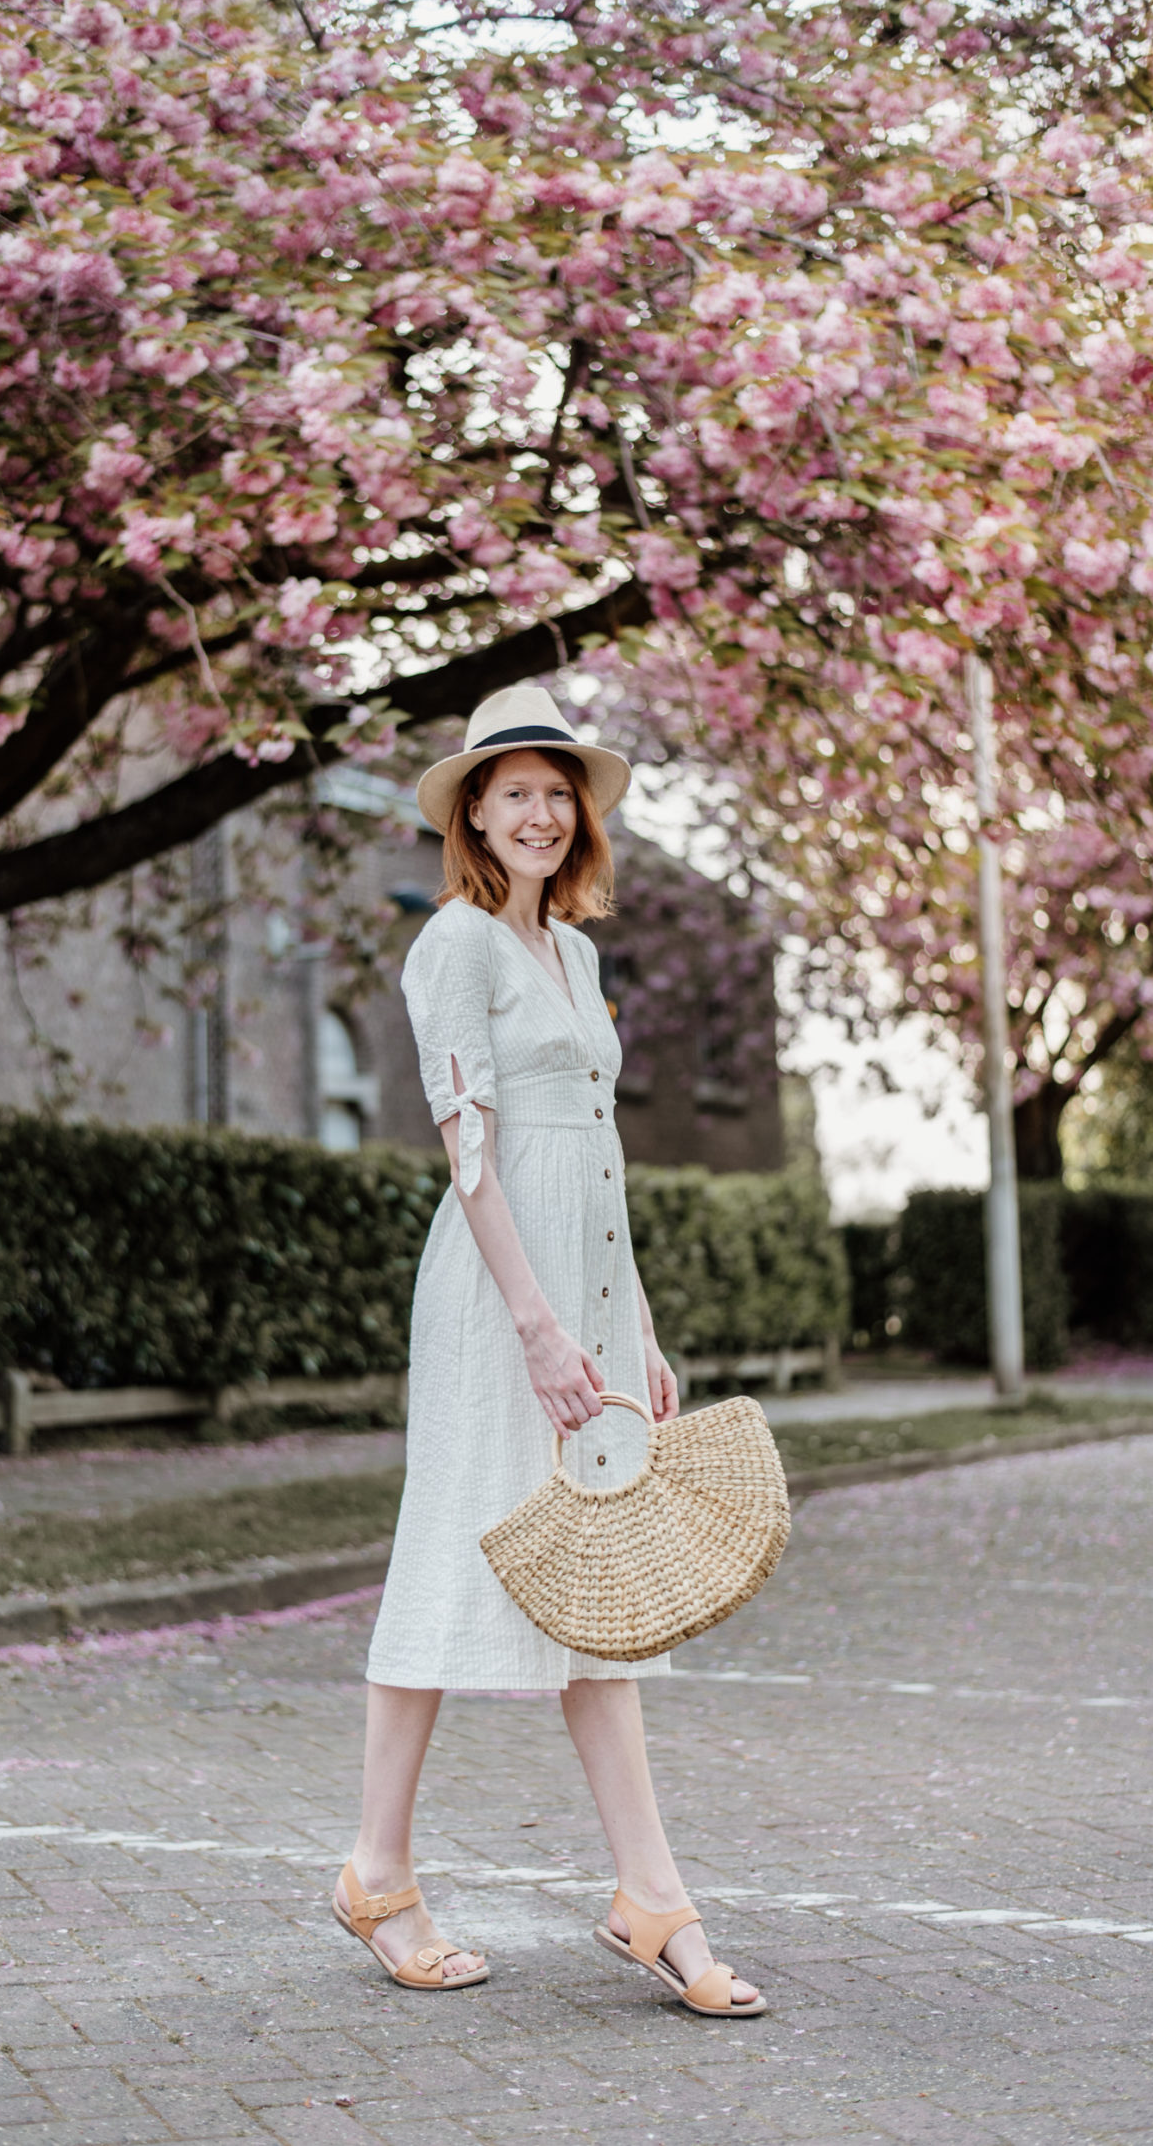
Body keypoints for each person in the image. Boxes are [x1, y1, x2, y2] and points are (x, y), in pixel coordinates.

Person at [331, 684, 765, 2018]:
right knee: (451, 1551)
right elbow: (473, 1155)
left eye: (556, 788)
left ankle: (652, 1896)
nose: (537, 808)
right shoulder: (451, 944)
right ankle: (377, 1870)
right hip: (492, 1300)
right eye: (511, 788)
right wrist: (533, 1324)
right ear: (472, 810)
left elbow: (604, 1158)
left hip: (587, 1299)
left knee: (604, 1590)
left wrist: (631, 1329)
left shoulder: (575, 957)